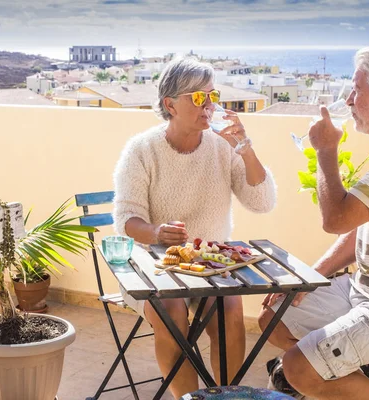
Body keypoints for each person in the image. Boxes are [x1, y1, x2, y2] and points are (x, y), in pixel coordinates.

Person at [259, 42, 369, 400]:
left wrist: (324, 151)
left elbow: (336, 219)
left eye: (356, 89)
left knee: (298, 368)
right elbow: (360, 226)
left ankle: (319, 373)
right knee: (274, 315)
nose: (349, 100)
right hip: (365, 287)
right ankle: (335, 374)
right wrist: (311, 276)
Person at [113, 56, 277, 398]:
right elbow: (127, 221)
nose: (209, 106)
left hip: (211, 265)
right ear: (170, 104)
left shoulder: (223, 146)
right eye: (198, 98)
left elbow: (262, 203)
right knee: (171, 313)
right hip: (156, 265)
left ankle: (226, 396)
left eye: (212, 96)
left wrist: (245, 150)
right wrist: (157, 233)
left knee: (229, 312)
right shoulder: (142, 150)